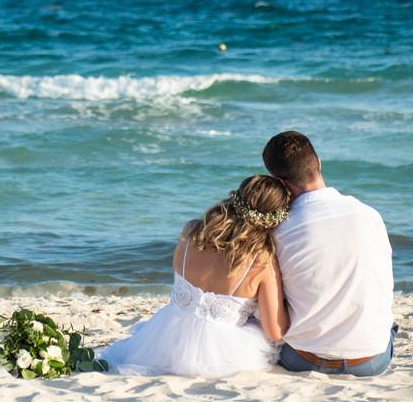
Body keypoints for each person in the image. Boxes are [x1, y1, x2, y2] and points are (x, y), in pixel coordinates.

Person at [101, 176, 291, 377]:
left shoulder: (191, 231)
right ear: (273, 219)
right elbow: (274, 331)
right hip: (222, 352)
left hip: (164, 338)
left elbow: (177, 275)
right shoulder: (260, 260)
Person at [263, 131, 396, 377]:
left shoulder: (279, 229)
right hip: (371, 360)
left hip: (303, 359)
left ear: (279, 183)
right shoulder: (369, 215)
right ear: (319, 163)